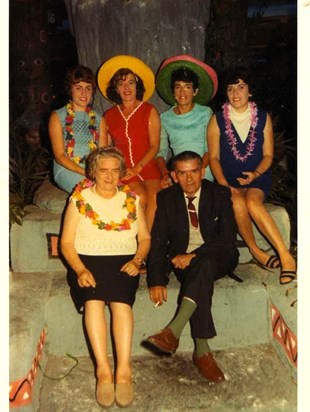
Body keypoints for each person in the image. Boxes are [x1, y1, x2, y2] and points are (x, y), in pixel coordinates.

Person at [60, 147, 151, 408]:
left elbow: (144, 238)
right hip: (87, 261)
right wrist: (79, 270)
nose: (110, 177)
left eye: (115, 171)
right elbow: (66, 243)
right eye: (103, 171)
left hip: (124, 261)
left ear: (121, 172)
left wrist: (137, 260)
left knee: (122, 304)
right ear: (93, 172)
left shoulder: (132, 199)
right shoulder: (79, 199)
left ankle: (123, 370)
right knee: (94, 302)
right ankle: (102, 370)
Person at [145, 151, 239, 383]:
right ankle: (202, 352)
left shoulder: (219, 193)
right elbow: (158, 241)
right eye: (183, 174)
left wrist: (193, 254)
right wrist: (157, 279)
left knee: (203, 262)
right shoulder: (166, 198)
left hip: (219, 256)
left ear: (202, 171)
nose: (189, 179)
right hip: (183, 262)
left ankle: (173, 330)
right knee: (200, 272)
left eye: (194, 172)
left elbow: (227, 239)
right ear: (174, 176)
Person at [207, 66, 297, 285]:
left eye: (241, 87)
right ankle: (257, 252)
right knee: (237, 203)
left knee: (253, 203)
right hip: (227, 179)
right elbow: (214, 158)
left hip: (258, 176)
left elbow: (268, 155)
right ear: (226, 94)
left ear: (250, 92)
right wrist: (223, 184)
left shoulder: (262, 117)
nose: (236, 93)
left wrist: (255, 173)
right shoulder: (217, 120)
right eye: (231, 89)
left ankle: (286, 256)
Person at [97, 55, 162, 230]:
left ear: (137, 85)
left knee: (155, 197)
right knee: (139, 196)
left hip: (147, 166)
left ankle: (145, 243)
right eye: (121, 84)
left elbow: (155, 146)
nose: (126, 88)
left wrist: (139, 167)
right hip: (124, 169)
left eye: (131, 82)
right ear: (116, 89)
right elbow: (106, 149)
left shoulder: (149, 110)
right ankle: (136, 241)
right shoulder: (109, 115)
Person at [155, 55, 218, 188]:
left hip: (203, 171)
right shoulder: (165, 118)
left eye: (187, 87)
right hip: (179, 174)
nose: (182, 92)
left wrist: (197, 172)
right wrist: (166, 173)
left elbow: (210, 150)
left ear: (195, 91)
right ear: (173, 92)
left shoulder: (205, 113)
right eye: (178, 87)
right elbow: (160, 152)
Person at [49, 65, 105, 193]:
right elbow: (60, 156)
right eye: (78, 88)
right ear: (70, 90)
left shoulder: (99, 119)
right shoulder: (57, 116)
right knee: (91, 192)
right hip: (66, 168)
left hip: (92, 169)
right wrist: (85, 172)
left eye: (88, 88)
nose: (84, 93)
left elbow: (102, 155)